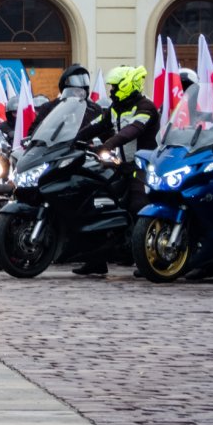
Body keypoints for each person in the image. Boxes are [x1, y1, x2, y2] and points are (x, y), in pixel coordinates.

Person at [68, 65, 159, 276]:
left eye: (115, 87)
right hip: (120, 166)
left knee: (139, 206)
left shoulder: (146, 108)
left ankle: (147, 260)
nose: (111, 91)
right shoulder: (115, 109)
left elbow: (132, 130)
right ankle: (96, 260)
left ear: (127, 86)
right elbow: (94, 125)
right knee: (97, 202)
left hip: (143, 167)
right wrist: (72, 141)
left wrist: (108, 143)